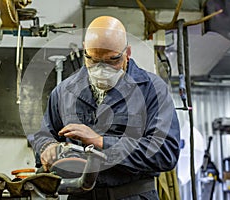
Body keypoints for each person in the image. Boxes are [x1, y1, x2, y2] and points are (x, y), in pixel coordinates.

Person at [28, 16, 180, 200]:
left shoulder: (152, 90)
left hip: (132, 195)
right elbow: (44, 135)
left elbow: (165, 153)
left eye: (112, 60)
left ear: (127, 53)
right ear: (85, 50)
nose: (101, 69)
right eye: (92, 59)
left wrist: (101, 142)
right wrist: (47, 146)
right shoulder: (64, 92)